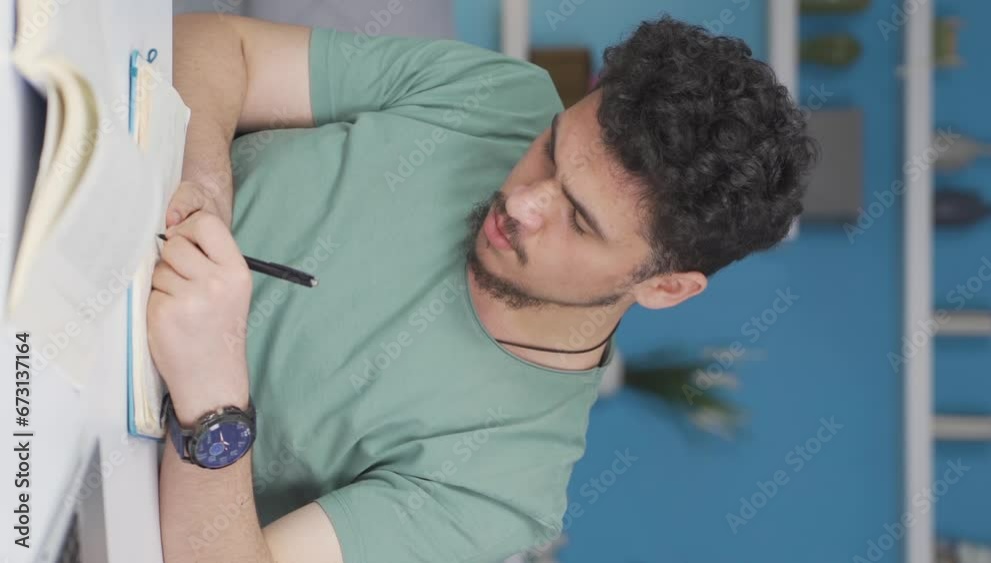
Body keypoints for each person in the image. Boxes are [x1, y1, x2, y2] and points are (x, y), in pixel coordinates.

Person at [150, 12, 816, 563]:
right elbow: (214, 44)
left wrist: (211, 400)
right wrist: (204, 182)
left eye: (579, 220)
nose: (522, 201)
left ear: (665, 287)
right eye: (550, 148)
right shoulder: (503, 92)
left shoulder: (508, 482)